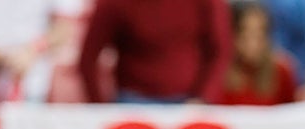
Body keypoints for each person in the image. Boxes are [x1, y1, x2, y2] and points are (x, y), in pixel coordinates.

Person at [77, 0, 231, 104]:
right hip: (133, 103)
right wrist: (101, 110)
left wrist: (203, 98)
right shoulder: (115, 4)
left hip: (189, 104)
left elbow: (220, 50)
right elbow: (87, 59)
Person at [221, 1, 298, 106]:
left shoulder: (282, 71)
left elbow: (293, 114)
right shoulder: (220, 74)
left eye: (259, 35)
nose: (253, 43)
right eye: (245, 35)